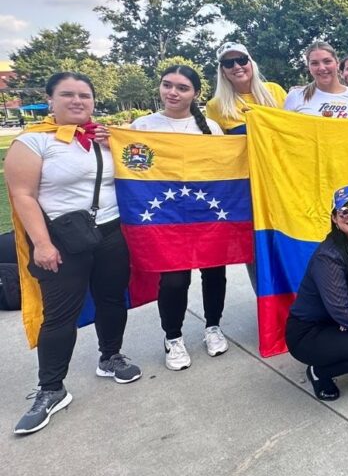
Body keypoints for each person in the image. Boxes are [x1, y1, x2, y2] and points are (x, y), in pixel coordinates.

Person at [7, 72, 141, 435]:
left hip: (111, 232)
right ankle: (51, 388)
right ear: (51, 99)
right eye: (67, 95)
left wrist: (117, 143)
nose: (77, 101)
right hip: (62, 238)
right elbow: (23, 195)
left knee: (112, 299)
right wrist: (43, 244)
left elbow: (141, 167)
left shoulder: (104, 138)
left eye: (84, 95)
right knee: (59, 315)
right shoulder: (34, 142)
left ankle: (110, 356)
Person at [131, 66, 230, 370]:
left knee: (214, 273)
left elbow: (225, 167)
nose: (173, 92)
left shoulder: (209, 127)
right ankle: (173, 337)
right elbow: (133, 167)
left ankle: (212, 326)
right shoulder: (142, 125)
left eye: (182, 87)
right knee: (174, 280)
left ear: (195, 93)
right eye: (167, 85)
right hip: (164, 215)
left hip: (205, 212)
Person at [285, 186, 348, 401]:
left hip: (337, 321)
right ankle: (318, 372)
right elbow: (340, 310)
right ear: (334, 217)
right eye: (344, 211)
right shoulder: (328, 257)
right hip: (309, 332)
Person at [206, 42, 287, 134]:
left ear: (251, 63)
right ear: (222, 71)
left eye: (242, 60)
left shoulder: (275, 91)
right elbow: (217, 143)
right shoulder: (215, 106)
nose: (236, 66)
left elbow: (293, 126)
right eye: (228, 63)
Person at [283, 42, 348, 118]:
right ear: (309, 67)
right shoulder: (296, 96)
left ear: (337, 64)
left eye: (327, 61)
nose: (322, 68)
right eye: (315, 63)